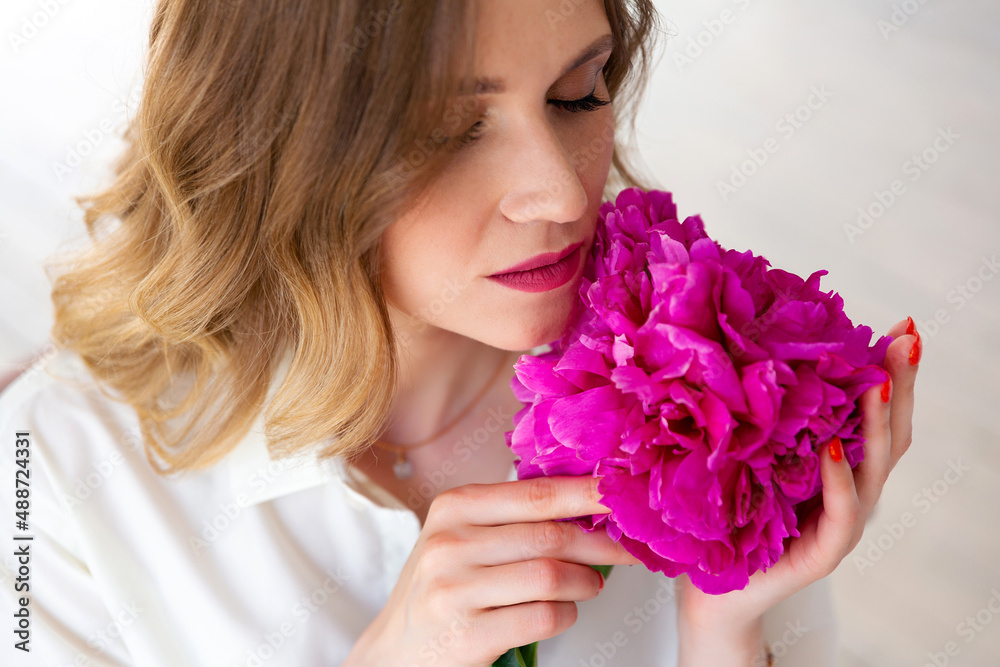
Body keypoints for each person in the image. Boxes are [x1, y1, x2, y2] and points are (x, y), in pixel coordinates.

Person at [0, 0, 921, 665]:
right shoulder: (51, 475)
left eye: (578, 93)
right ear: (275, 142)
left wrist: (725, 626)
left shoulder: (695, 394)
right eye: (448, 131)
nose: (559, 193)